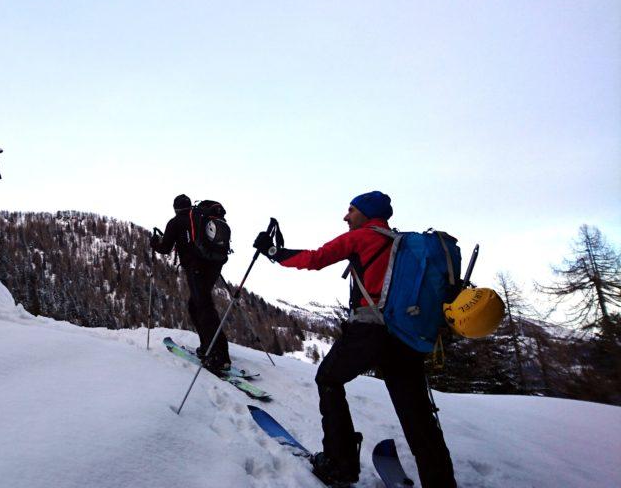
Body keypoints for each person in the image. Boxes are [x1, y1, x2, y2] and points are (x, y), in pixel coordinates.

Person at [253, 191, 456, 488]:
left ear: (367, 212)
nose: (346, 216)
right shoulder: (402, 244)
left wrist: (273, 253)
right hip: (406, 337)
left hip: (370, 332)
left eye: (351, 210)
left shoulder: (361, 237)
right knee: (417, 415)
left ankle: (340, 464)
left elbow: (315, 259)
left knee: (329, 379)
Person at [152, 194, 232, 374]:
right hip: (214, 265)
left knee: (203, 308)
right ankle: (208, 347)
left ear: (175, 208)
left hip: (196, 268)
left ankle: (219, 356)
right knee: (197, 306)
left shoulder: (176, 222)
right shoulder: (200, 218)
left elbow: (164, 248)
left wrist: (153, 243)